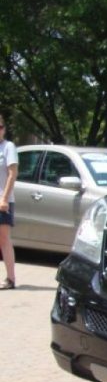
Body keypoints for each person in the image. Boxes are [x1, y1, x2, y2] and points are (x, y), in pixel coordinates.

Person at [0, 114, 18, 290]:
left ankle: (10, 278)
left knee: (4, 239)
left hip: (3, 200)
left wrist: (4, 198)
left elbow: (12, 174)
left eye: (0, 127)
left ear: (4, 129)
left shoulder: (8, 147)